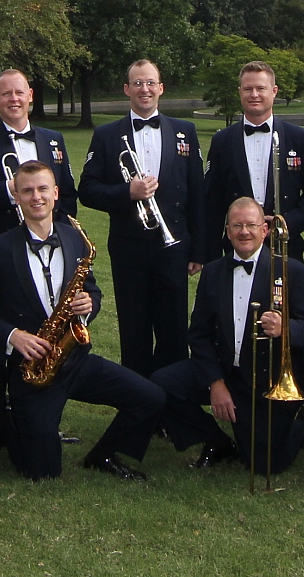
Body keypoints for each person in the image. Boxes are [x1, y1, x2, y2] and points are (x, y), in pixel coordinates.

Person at [0, 161, 164, 481]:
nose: (36, 197)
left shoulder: (75, 239)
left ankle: (103, 455)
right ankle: (12, 421)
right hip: (33, 371)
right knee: (42, 471)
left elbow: (93, 290)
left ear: (55, 193)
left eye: (43, 189)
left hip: (74, 359)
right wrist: (14, 336)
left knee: (151, 397)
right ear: (16, 196)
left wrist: (89, 304)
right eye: (27, 191)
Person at [152, 198, 304, 476]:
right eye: (237, 226)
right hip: (224, 371)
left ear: (265, 231)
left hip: (266, 377)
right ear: (228, 231)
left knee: (266, 466)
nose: (244, 232)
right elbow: (199, 334)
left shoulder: (292, 271)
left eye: (251, 225)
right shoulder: (212, 272)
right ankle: (216, 441)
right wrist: (215, 382)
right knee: (160, 386)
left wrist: (286, 329)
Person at [79, 59, 206, 378]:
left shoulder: (185, 131)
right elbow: (87, 189)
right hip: (129, 249)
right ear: (127, 89)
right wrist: (127, 192)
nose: (144, 89)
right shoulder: (107, 134)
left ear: (161, 88)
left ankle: (171, 405)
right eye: (137, 83)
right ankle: (139, 403)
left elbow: (197, 193)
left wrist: (198, 250)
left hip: (174, 247)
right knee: (134, 329)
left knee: (174, 330)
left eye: (150, 82)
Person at [203, 61, 304, 263]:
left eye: (261, 88)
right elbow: (212, 201)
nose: (254, 94)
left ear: (274, 91)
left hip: (286, 247)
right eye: (248, 89)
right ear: (239, 91)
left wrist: (287, 224)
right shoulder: (221, 141)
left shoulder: (301, 138)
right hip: (236, 248)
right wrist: (210, 252)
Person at [0, 69, 78, 250]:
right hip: (2, 247)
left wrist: (62, 233)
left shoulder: (53, 139)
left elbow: (67, 194)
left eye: (19, 92)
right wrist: (8, 189)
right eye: (6, 94)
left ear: (30, 95)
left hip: (52, 242)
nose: (14, 99)